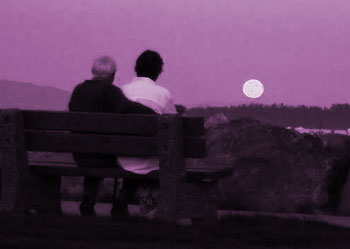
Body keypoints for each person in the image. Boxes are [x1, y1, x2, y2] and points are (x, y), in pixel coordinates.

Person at [68, 55, 156, 216]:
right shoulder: (111, 91)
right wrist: (154, 114)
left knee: (93, 152)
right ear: (113, 74)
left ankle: (88, 201)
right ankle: (120, 205)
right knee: (135, 163)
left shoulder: (78, 90)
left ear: (92, 71)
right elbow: (129, 108)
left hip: (80, 154)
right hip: (102, 156)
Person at [119, 50, 178, 215]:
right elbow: (173, 129)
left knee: (135, 152)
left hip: (123, 157)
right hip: (152, 159)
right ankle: (154, 204)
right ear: (158, 72)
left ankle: (123, 200)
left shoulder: (121, 91)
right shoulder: (163, 95)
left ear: (136, 68)